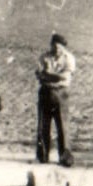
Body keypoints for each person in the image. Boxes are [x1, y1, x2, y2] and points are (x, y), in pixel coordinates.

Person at [36, 33, 76, 165]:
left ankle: (65, 157)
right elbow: (39, 74)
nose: (57, 49)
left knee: (62, 126)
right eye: (54, 46)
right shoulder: (44, 56)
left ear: (64, 47)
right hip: (45, 92)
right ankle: (43, 155)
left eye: (60, 47)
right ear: (51, 45)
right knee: (43, 125)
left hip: (61, 93)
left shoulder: (69, 58)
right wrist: (51, 76)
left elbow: (64, 77)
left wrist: (48, 75)